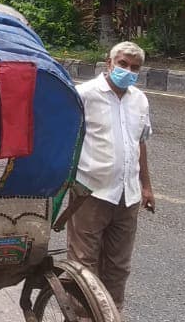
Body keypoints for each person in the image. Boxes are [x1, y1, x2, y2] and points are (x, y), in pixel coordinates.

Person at [65, 41, 155, 313]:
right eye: (123, 64)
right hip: (90, 193)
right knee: (84, 264)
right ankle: (82, 316)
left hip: (127, 195)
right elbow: (65, 138)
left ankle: (112, 314)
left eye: (134, 67)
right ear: (109, 63)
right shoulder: (84, 95)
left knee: (118, 265)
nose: (128, 71)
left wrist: (147, 186)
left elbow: (140, 143)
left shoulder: (139, 99)